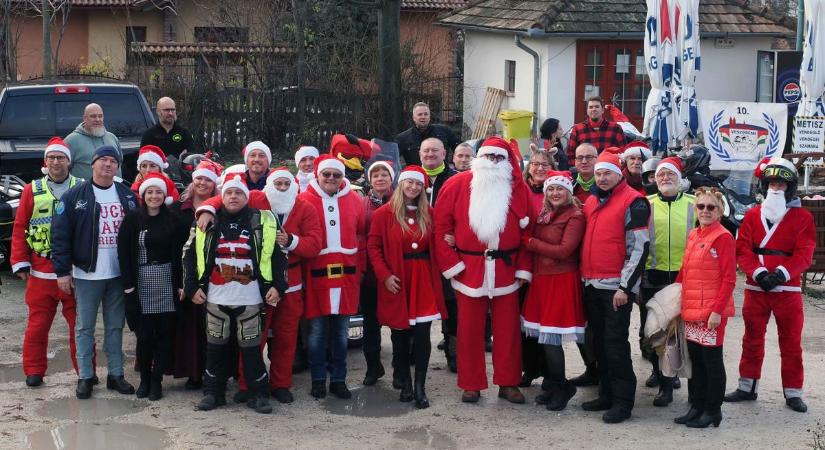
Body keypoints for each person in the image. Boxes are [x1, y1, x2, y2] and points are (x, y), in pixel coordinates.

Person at [195, 166, 323, 404]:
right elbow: (228, 194)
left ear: (294, 186)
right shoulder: (256, 199)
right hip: (256, 285)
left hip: (290, 282)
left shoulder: (305, 205)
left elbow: (315, 244)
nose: (282, 188)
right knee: (253, 339)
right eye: (278, 184)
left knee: (286, 338)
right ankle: (247, 385)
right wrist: (206, 208)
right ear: (269, 186)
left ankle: (281, 384)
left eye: (286, 184)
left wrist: (292, 241)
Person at [434, 136, 531, 404]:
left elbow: (528, 232)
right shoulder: (456, 185)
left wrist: (523, 270)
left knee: (508, 331)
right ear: (479, 159)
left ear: (507, 162)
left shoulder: (516, 189)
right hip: (469, 269)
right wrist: (453, 266)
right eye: (488, 157)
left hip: (506, 271)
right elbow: (441, 229)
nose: (493, 162)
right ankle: (471, 383)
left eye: (499, 158)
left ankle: (509, 382)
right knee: (468, 331)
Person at [182, 175, 288, 414]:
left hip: (251, 298)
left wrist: (278, 286)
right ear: (222, 196)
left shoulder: (263, 220)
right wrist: (191, 286)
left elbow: (279, 255)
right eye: (228, 192)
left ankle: (258, 394)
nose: (233, 196)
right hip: (215, 298)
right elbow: (188, 253)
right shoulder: (206, 220)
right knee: (215, 348)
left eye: (238, 193)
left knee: (251, 349)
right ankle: (213, 393)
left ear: (246, 196)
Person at [725, 157, 815, 413]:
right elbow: (742, 249)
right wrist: (760, 273)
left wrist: (781, 274)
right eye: (771, 183)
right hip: (757, 288)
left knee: (791, 343)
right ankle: (746, 387)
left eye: (781, 184)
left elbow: (805, 253)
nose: (776, 187)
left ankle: (793, 393)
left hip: (787, 290)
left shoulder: (803, 217)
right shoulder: (753, 215)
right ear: (764, 186)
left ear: (790, 188)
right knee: (751, 339)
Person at [52, 145, 140, 399]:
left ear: (117, 166)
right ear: (93, 164)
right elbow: (60, 236)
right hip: (86, 273)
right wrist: (62, 272)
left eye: (113, 161)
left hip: (118, 274)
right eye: (103, 160)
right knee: (84, 327)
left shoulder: (128, 196)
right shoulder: (74, 196)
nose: (108, 165)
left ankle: (116, 374)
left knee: (115, 326)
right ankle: (86, 376)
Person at [368, 165, 448, 408]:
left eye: (418, 184)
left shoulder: (430, 213)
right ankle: (403, 378)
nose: (413, 187)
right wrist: (385, 276)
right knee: (400, 334)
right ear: (401, 185)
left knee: (423, 335)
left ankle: (420, 386)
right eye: (409, 183)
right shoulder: (384, 214)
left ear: (423, 188)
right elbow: (374, 248)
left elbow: (441, 239)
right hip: (398, 279)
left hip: (423, 278)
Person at [579, 150, 650, 424]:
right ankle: (606, 394)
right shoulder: (593, 199)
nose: (602, 177)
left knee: (615, 344)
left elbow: (640, 247)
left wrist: (626, 287)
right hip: (591, 284)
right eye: (598, 173)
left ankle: (623, 402)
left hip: (615, 289)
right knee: (599, 343)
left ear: (619, 174)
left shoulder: (634, 201)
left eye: (607, 173)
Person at [10, 137, 82, 387]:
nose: (55, 162)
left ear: (68, 161)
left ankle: (84, 371)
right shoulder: (32, 189)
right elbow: (20, 227)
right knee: (37, 327)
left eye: (60, 157)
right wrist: (19, 261)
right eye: (51, 157)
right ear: (45, 161)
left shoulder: (81, 187)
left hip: (74, 270)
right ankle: (34, 371)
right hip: (41, 270)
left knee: (79, 327)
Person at [300, 154, 367, 399]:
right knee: (317, 332)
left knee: (341, 333)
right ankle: (318, 378)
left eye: (336, 175)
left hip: (347, 277)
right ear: (317, 175)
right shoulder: (304, 200)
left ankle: (338, 379)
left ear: (342, 177)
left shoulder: (355, 200)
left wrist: (360, 269)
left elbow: (361, 235)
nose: (331, 178)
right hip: (317, 275)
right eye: (326, 174)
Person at [520, 170, 586, 411]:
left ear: (568, 192)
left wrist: (530, 243)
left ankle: (562, 387)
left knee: (552, 340)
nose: (555, 193)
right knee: (544, 340)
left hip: (560, 281)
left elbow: (564, 250)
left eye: (560, 189)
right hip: (542, 281)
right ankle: (554, 385)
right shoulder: (545, 214)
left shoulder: (575, 216)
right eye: (551, 189)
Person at [118, 173, 187, 401]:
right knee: (145, 336)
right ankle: (145, 379)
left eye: (158, 192)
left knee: (166, 336)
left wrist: (180, 284)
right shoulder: (132, 220)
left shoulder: (173, 220)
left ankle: (157, 380)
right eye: (150, 192)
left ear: (164, 195)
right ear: (143, 194)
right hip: (141, 281)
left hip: (167, 279)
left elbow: (180, 254)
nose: (154, 196)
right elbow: (124, 254)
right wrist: (128, 286)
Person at [674, 187, 736, 428]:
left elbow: (729, 278)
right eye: (701, 206)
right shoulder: (693, 234)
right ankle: (696, 406)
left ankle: (712, 410)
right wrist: (675, 300)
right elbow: (686, 270)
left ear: (720, 211)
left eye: (711, 207)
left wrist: (717, 311)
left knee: (711, 362)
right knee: (696, 361)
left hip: (711, 312)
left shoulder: (723, 237)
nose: (705, 211)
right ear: (695, 209)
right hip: (691, 309)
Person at [640, 157, 693, 406]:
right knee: (654, 333)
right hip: (654, 276)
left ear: (680, 179)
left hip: (686, 278)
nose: (665, 179)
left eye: (670, 174)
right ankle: (661, 378)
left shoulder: (695, 204)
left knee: (679, 334)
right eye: (660, 175)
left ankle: (671, 379)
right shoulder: (646, 204)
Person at [170, 159, 223, 389]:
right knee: (189, 329)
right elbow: (173, 247)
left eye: (207, 180)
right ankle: (193, 373)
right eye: (199, 178)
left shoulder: (221, 210)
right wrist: (182, 282)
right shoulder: (178, 209)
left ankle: (215, 372)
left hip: (214, 277)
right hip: (186, 276)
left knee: (213, 328)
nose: (202, 183)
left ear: (214, 185)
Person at [419, 136, 460, 371]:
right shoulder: (411, 178)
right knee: (418, 302)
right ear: (420, 154)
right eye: (426, 151)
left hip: (446, 252)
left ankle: (454, 353)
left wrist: (458, 237)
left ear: (445, 154)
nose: (430, 154)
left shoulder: (455, 179)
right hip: (419, 253)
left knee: (450, 304)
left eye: (435, 150)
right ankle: (414, 349)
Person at [519, 149, 553, 387]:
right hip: (522, 265)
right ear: (528, 167)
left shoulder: (557, 191)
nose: (540, 168)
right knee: (523, 323)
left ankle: (550, 373)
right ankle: (529, 369)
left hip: (548, 266)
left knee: (546, 322)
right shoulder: (519, 192)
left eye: (545, 164)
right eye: (535, 164)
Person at [568, 142, 600, 387]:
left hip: (599, 264)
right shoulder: (568, 185)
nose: (585, 161)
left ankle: (604, 369)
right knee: (581, 321)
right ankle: (591, 367)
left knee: (602, 323)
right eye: (581, 158)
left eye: (590, 157)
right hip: (572, 262)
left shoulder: (605, 185)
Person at [361, 160, 396, 386]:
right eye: (376, 175)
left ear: (391, 179)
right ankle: (373, 367)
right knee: (370, 323)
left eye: (384, 175)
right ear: (370, 180)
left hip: (395, 271)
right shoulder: (361, 203)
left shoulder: (401, 202)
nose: (380, 178)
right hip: (370, 273)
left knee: (397, 323)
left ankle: (400, 368)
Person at [65, 103, 123, 181]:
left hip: (114, 190)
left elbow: (120, 162)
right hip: (85, 192)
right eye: (93, 116)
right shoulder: (71, 140)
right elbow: (63, 169)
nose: (98, 119)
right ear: (84, 118)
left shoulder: (112, 137)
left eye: (100, 116)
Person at [564, 96, 626, 163]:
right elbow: (570, 155)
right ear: (587, 111)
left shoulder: (616, 128)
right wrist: (580, 167)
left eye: (597, 107)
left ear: (602, 110)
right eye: (591, 107)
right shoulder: (578, 129)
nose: (594, 109)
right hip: (586, 171)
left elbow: (623, 152)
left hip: (608, 171)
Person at [396, 102, 459, 166]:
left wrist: (453, 164)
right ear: (413, 118)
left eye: (426, 114)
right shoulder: (403, 138)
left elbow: (459, 149)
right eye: (420, 114)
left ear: (429, 116)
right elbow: (393, 159)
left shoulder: (444, 131)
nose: (423, 117)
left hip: (443, 174)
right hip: (417, 174)